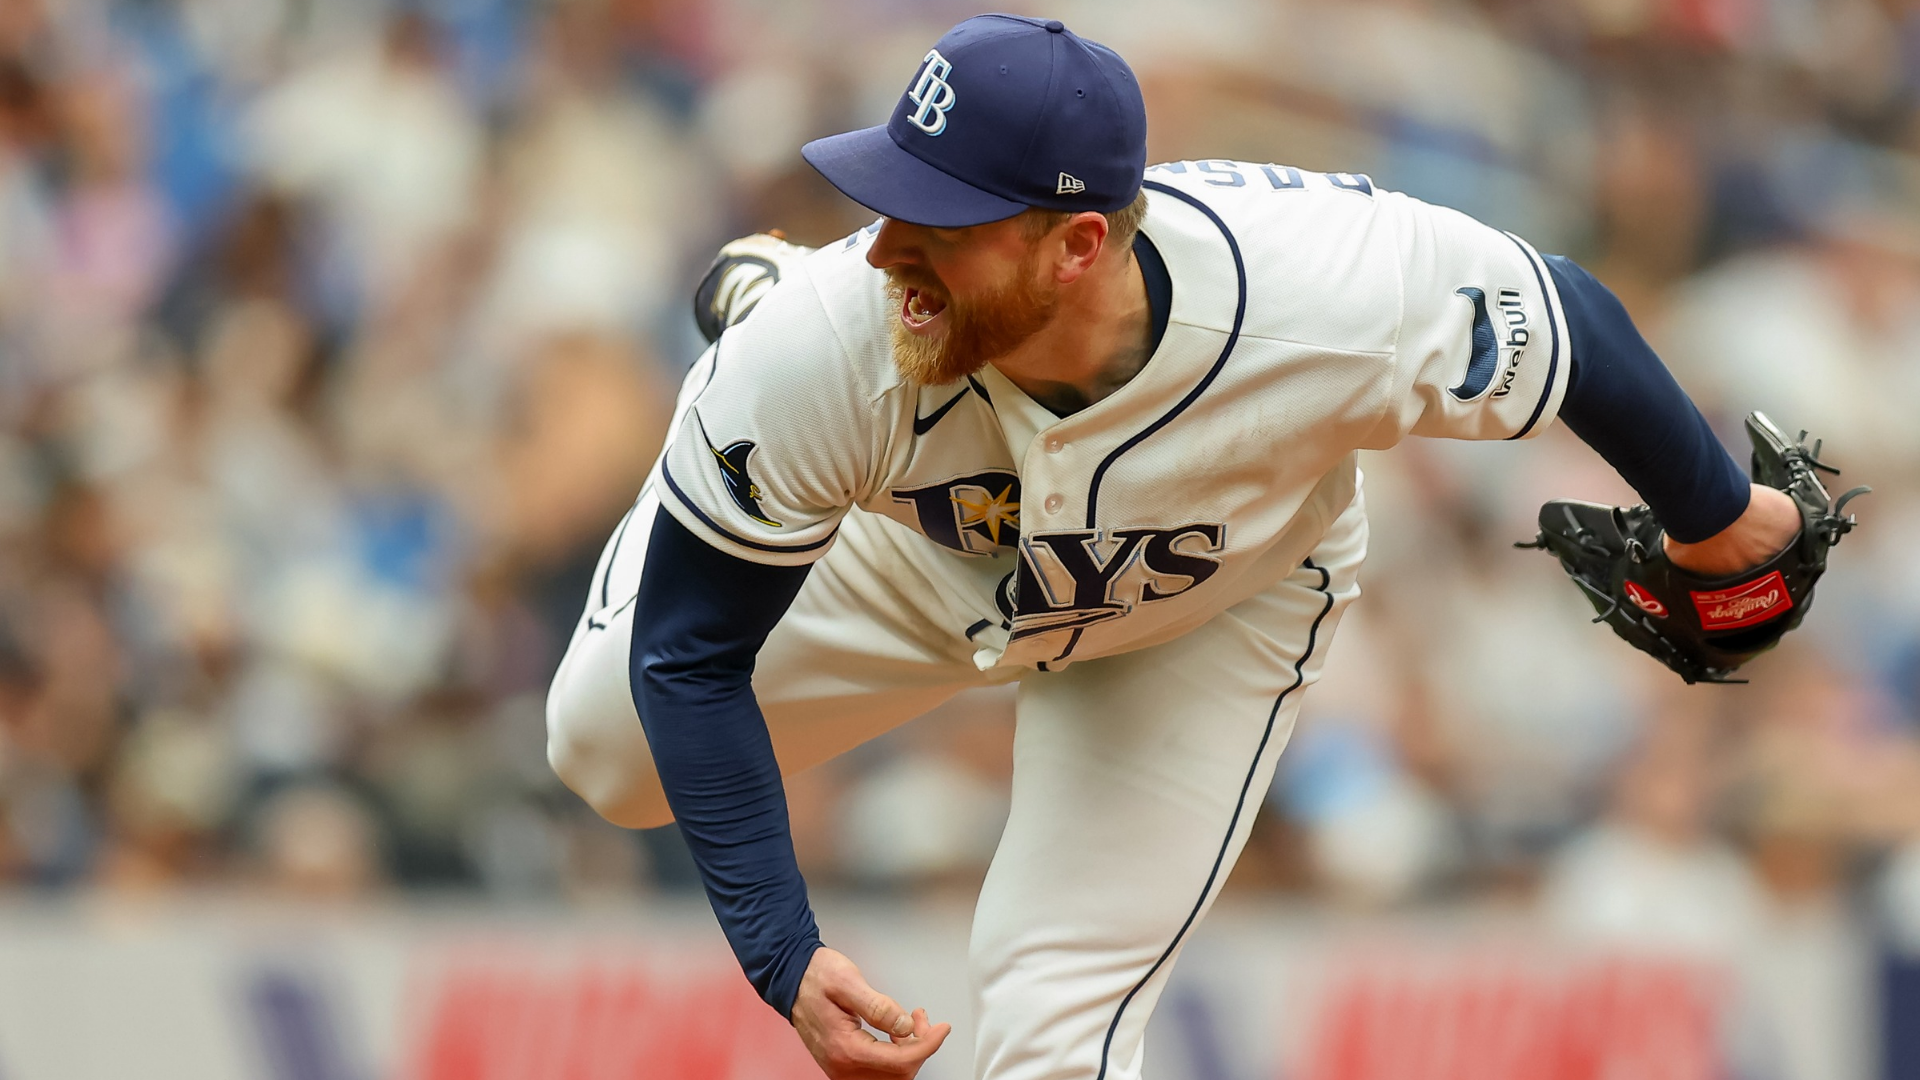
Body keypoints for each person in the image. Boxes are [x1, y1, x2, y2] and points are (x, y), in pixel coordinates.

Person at [545, 14, 1800, 1079]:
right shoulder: (840, 337)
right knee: (607, 752)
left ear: (1079, 243)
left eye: (943, 220)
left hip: (1206, 600)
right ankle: (755, 356)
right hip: (903, 557)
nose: (887, 244)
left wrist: (1717, 515)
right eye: (887, 202)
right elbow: (690, 659)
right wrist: (783, 950)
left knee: (1059, 1008)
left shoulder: (1321, 290)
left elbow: (1561, 314)